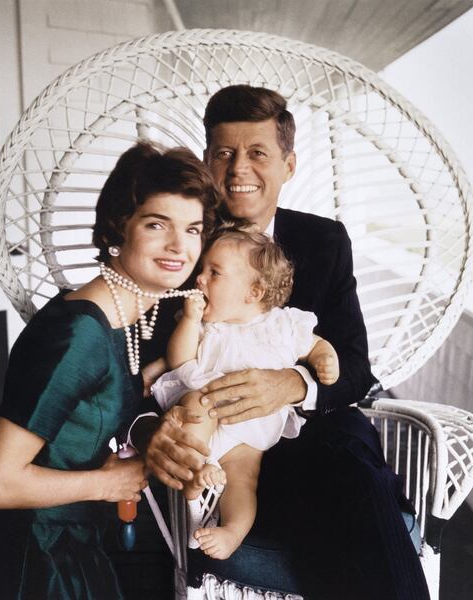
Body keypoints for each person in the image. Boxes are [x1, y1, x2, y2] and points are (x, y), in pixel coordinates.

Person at [134, 86, 431, 600]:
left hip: (311, 440)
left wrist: (294, 384)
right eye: (224, 153)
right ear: (207, 162)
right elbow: (131, 370)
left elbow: (355, 367)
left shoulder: (324, 241)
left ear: (288, 164)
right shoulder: (180, 242)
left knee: (353, 468)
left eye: (258, 153)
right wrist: (145, 434)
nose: (238, 169)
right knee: (346, 516)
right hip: (215, 452)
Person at [0, 141, 219, 599]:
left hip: (71, 534)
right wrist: (108, 481)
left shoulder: (132, 317)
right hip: (31, 554)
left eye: (193, 229)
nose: (180, 246)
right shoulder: (78, 334)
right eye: (157, 224)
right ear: (119, 229)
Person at [151, 225, 339, 560]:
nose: (200, 279)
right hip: (206, 412)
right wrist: (190, 321)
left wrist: (325, 359)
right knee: (194, 409)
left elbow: (316, 346)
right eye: (203, 269)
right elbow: (180, 361)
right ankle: (195, 471)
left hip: (250, 431)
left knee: (242, 481)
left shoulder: (282, 326)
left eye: (215, 273)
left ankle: (233, 531)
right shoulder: (206, 324)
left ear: (252, 293)